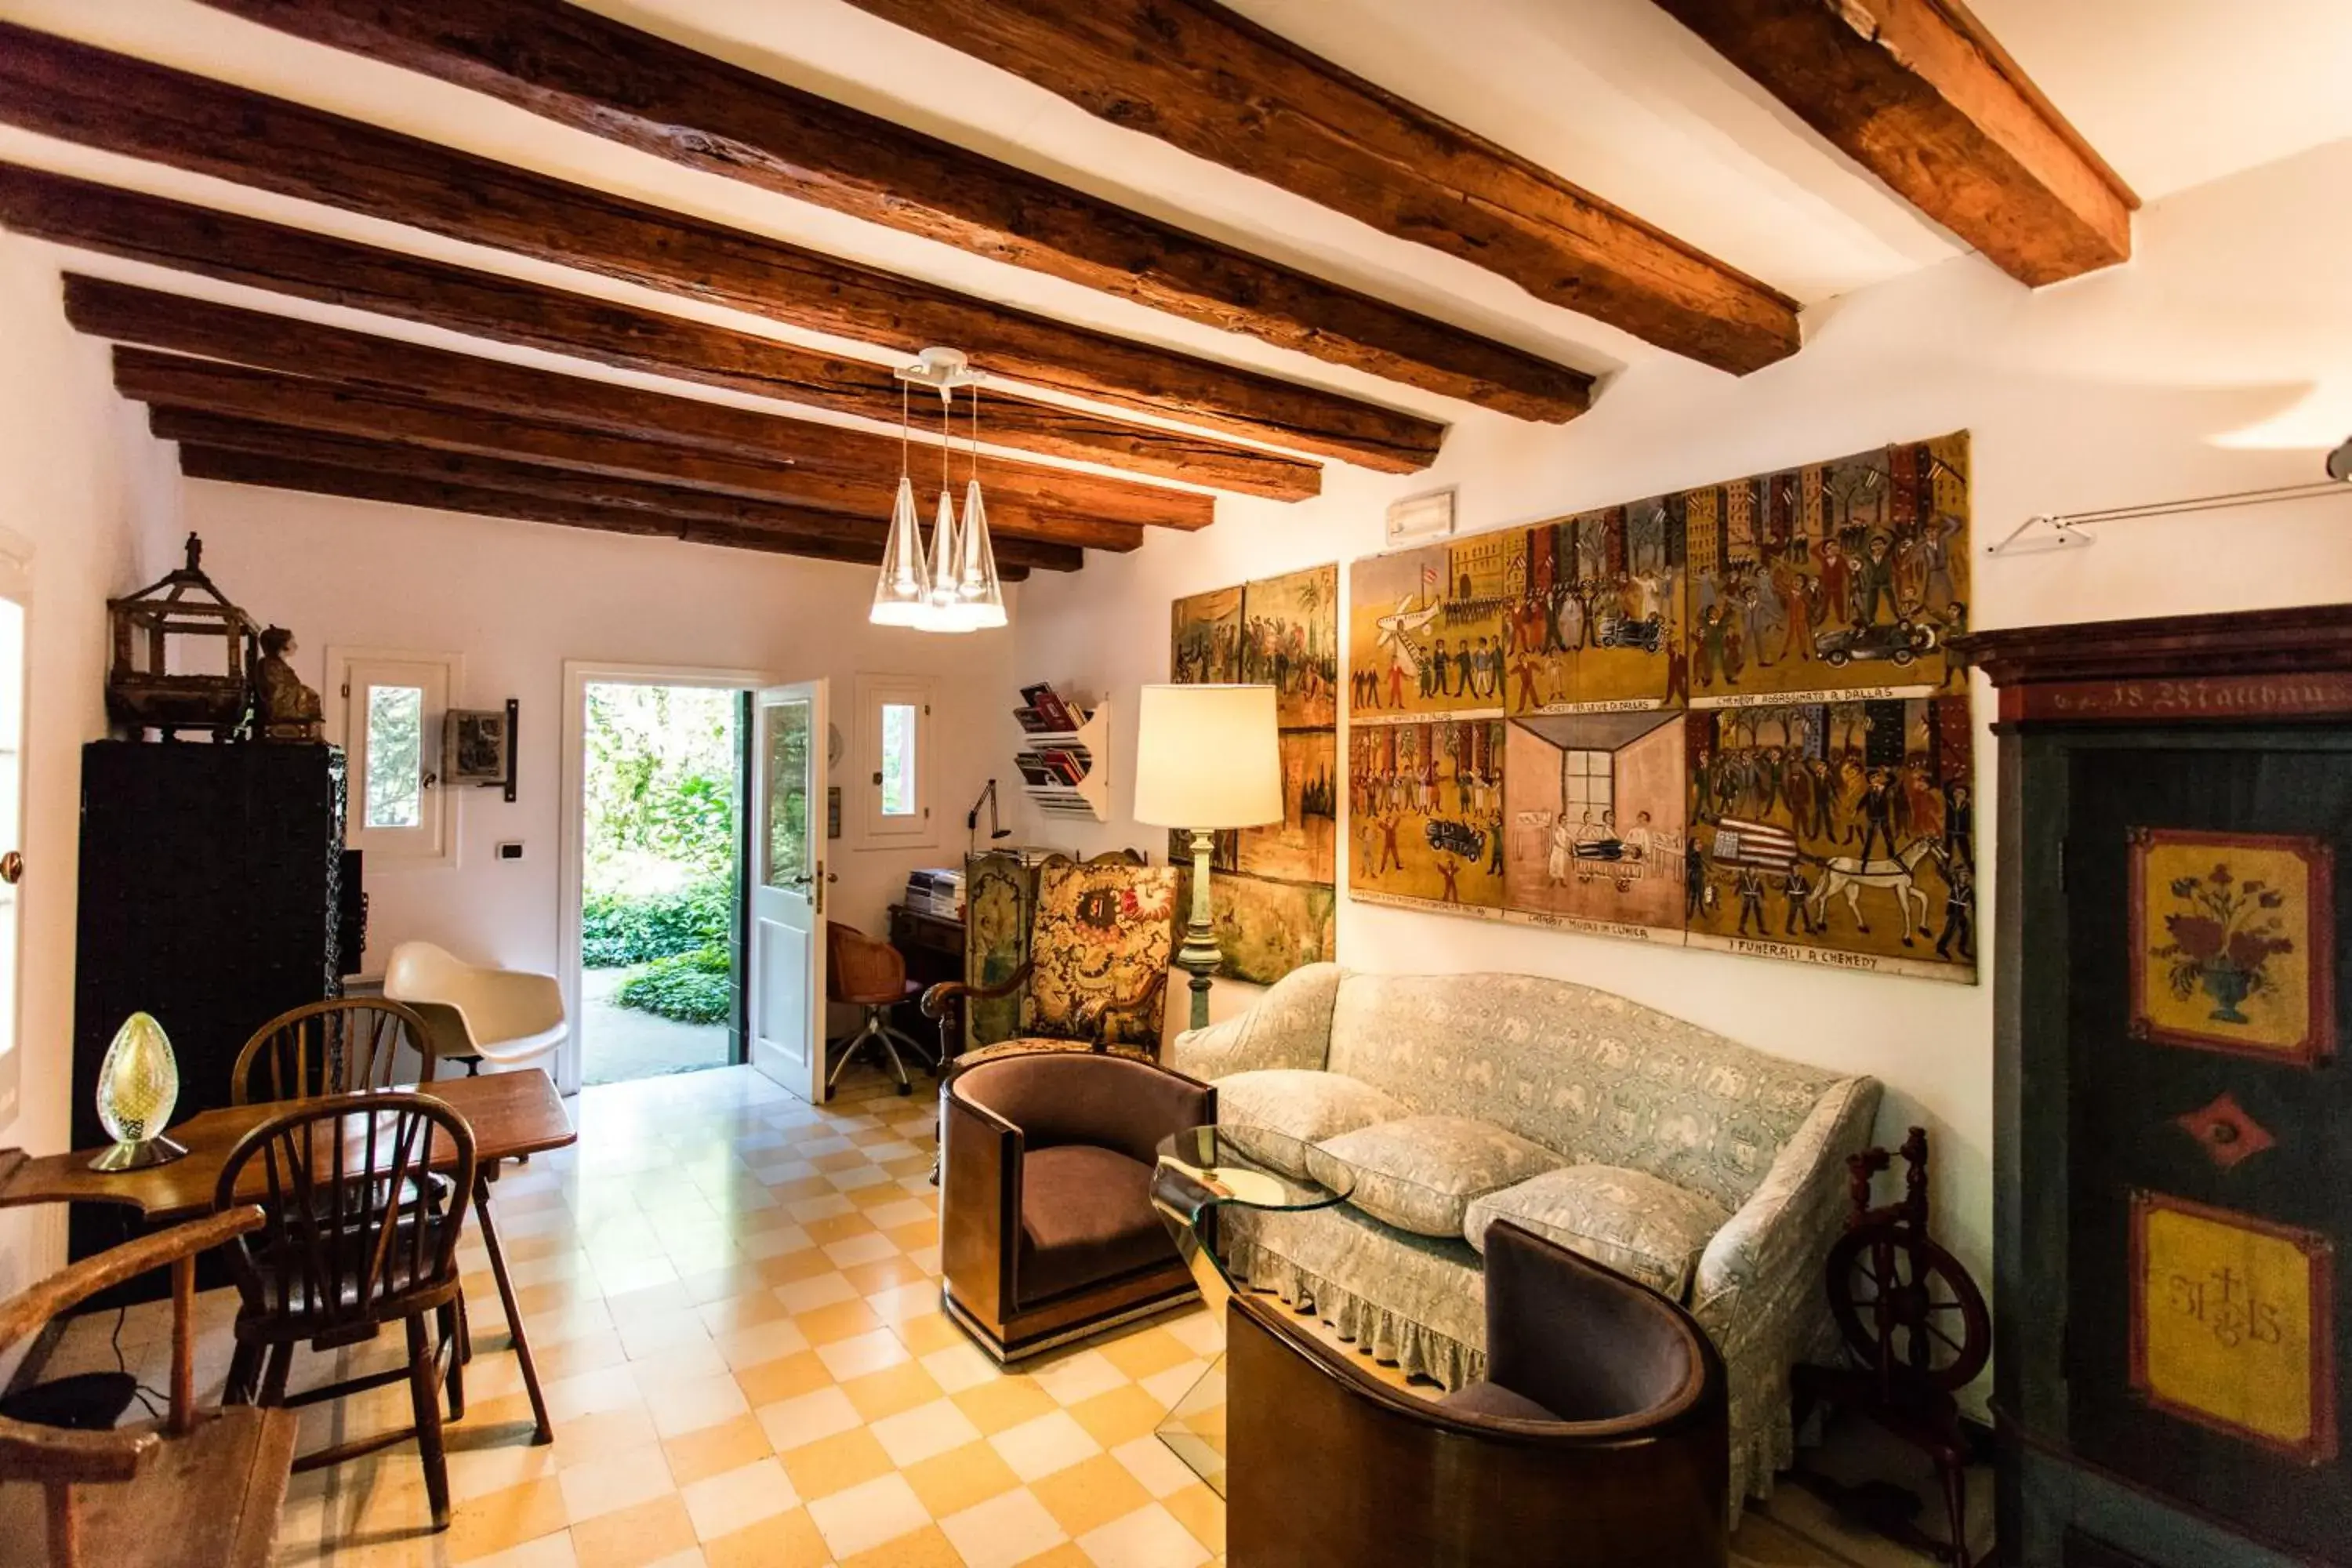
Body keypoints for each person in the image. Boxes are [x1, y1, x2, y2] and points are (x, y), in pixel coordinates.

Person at [1936, 857, 1975, 961]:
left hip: (1960, 913)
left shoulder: (1969, 890)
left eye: (1967, 875)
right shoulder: (1954, 885)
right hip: (1953, 912)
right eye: (1963, 875)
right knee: (1949, 930)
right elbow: (1944, 875)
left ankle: (1961, 948)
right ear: (1958, 876)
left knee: (1965, 928)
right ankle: (1941, 947)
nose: (1965, 877)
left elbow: (1973, 902)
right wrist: (1940, 866)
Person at [1734, 865, 1768, 935]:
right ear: (1749, 871)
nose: (1754, 871)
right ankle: (1741, 928)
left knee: (1758, 914)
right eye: (1753, 870)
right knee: (1745, 914)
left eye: (1755, 870)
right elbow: (1739, 886)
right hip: (1747, 898)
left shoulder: (1757, 879)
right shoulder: (1745, 879)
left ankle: (1761, 929)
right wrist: (1735, 894)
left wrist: (1763, 897)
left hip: (1755, 898)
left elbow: (1761, 888)